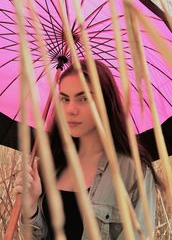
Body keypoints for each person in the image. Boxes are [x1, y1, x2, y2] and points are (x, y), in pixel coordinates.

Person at [14, 59, 161, 239]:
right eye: (64, 99)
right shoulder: (49, 166)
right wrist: (30, 209)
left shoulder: (133, 172)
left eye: (83, 98)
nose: (71, 109)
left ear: (105, 103)